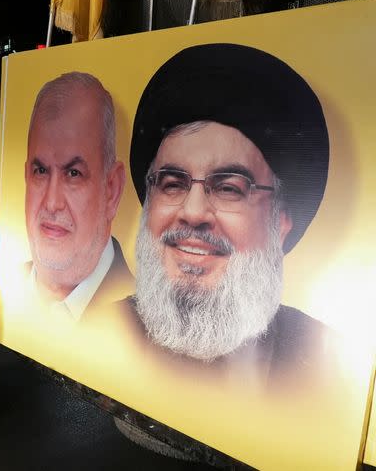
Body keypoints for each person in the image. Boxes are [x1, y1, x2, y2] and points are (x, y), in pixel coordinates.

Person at [120, 43, 337, 387]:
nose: (192, 212)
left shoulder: (324, 366)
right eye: (173, 183)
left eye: (229, 188)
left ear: (281, 223)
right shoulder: (105, 330)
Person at [23, 72, 132, 322]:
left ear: (112, 190)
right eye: (40, 171)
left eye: (73, 173)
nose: (52, 203)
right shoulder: (9, 286)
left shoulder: (144, 326)